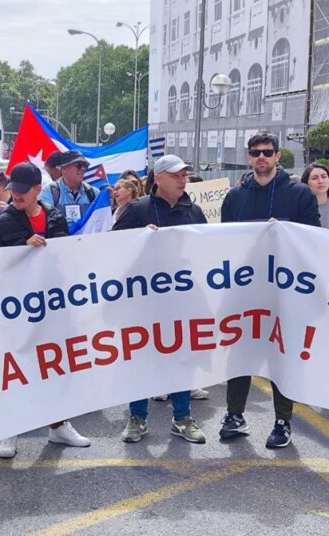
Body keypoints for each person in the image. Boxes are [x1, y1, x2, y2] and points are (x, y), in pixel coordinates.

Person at [219, 131, 320, 449]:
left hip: (284, 291)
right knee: (240, 350)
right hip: (245, 288)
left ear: (278, 156)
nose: (261, 157)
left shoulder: (299, 193)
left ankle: (283, 420)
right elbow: (221, 243)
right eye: (255, 152)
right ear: (248, 157)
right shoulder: (235, 196)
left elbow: (313, 238)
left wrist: (286, 235)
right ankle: (234, 415)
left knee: (281, 353)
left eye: (268, 151)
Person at [0, 162, 90, 458]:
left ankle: (58, 425)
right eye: (12, 191)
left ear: (36, 189)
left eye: (21, 191)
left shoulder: (55, 216)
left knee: (56, 367)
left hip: (53, 306)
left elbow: (66, 256)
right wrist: (22, 246)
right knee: (17, 370)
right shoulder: (1, 225)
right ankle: (10, 430)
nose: (15, 196)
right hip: (17, 311)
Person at [113, 154, 208, 444]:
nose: (184, 179)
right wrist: (139, 240)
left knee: (181, 358)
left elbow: (209, 251)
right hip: (143, 304)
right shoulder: (137, 210)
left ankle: (182, 418)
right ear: (160, 178)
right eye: (177, 175)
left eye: (185, 175)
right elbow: (112, 249)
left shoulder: (194, 211)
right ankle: (137, 418)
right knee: (140, 359)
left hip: (182, 301)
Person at [40, 150, 99, 228]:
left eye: (85, 166)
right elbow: (48, 221)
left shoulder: (94, 193)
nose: (82, 169)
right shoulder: (48, 192)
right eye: (78, 165)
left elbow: (99, 221)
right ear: (64, 168)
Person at [301, 163, 329, 228]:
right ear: (306, 182)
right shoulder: (300, 206)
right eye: (314, 178)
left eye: (324, 177)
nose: (320, 181)